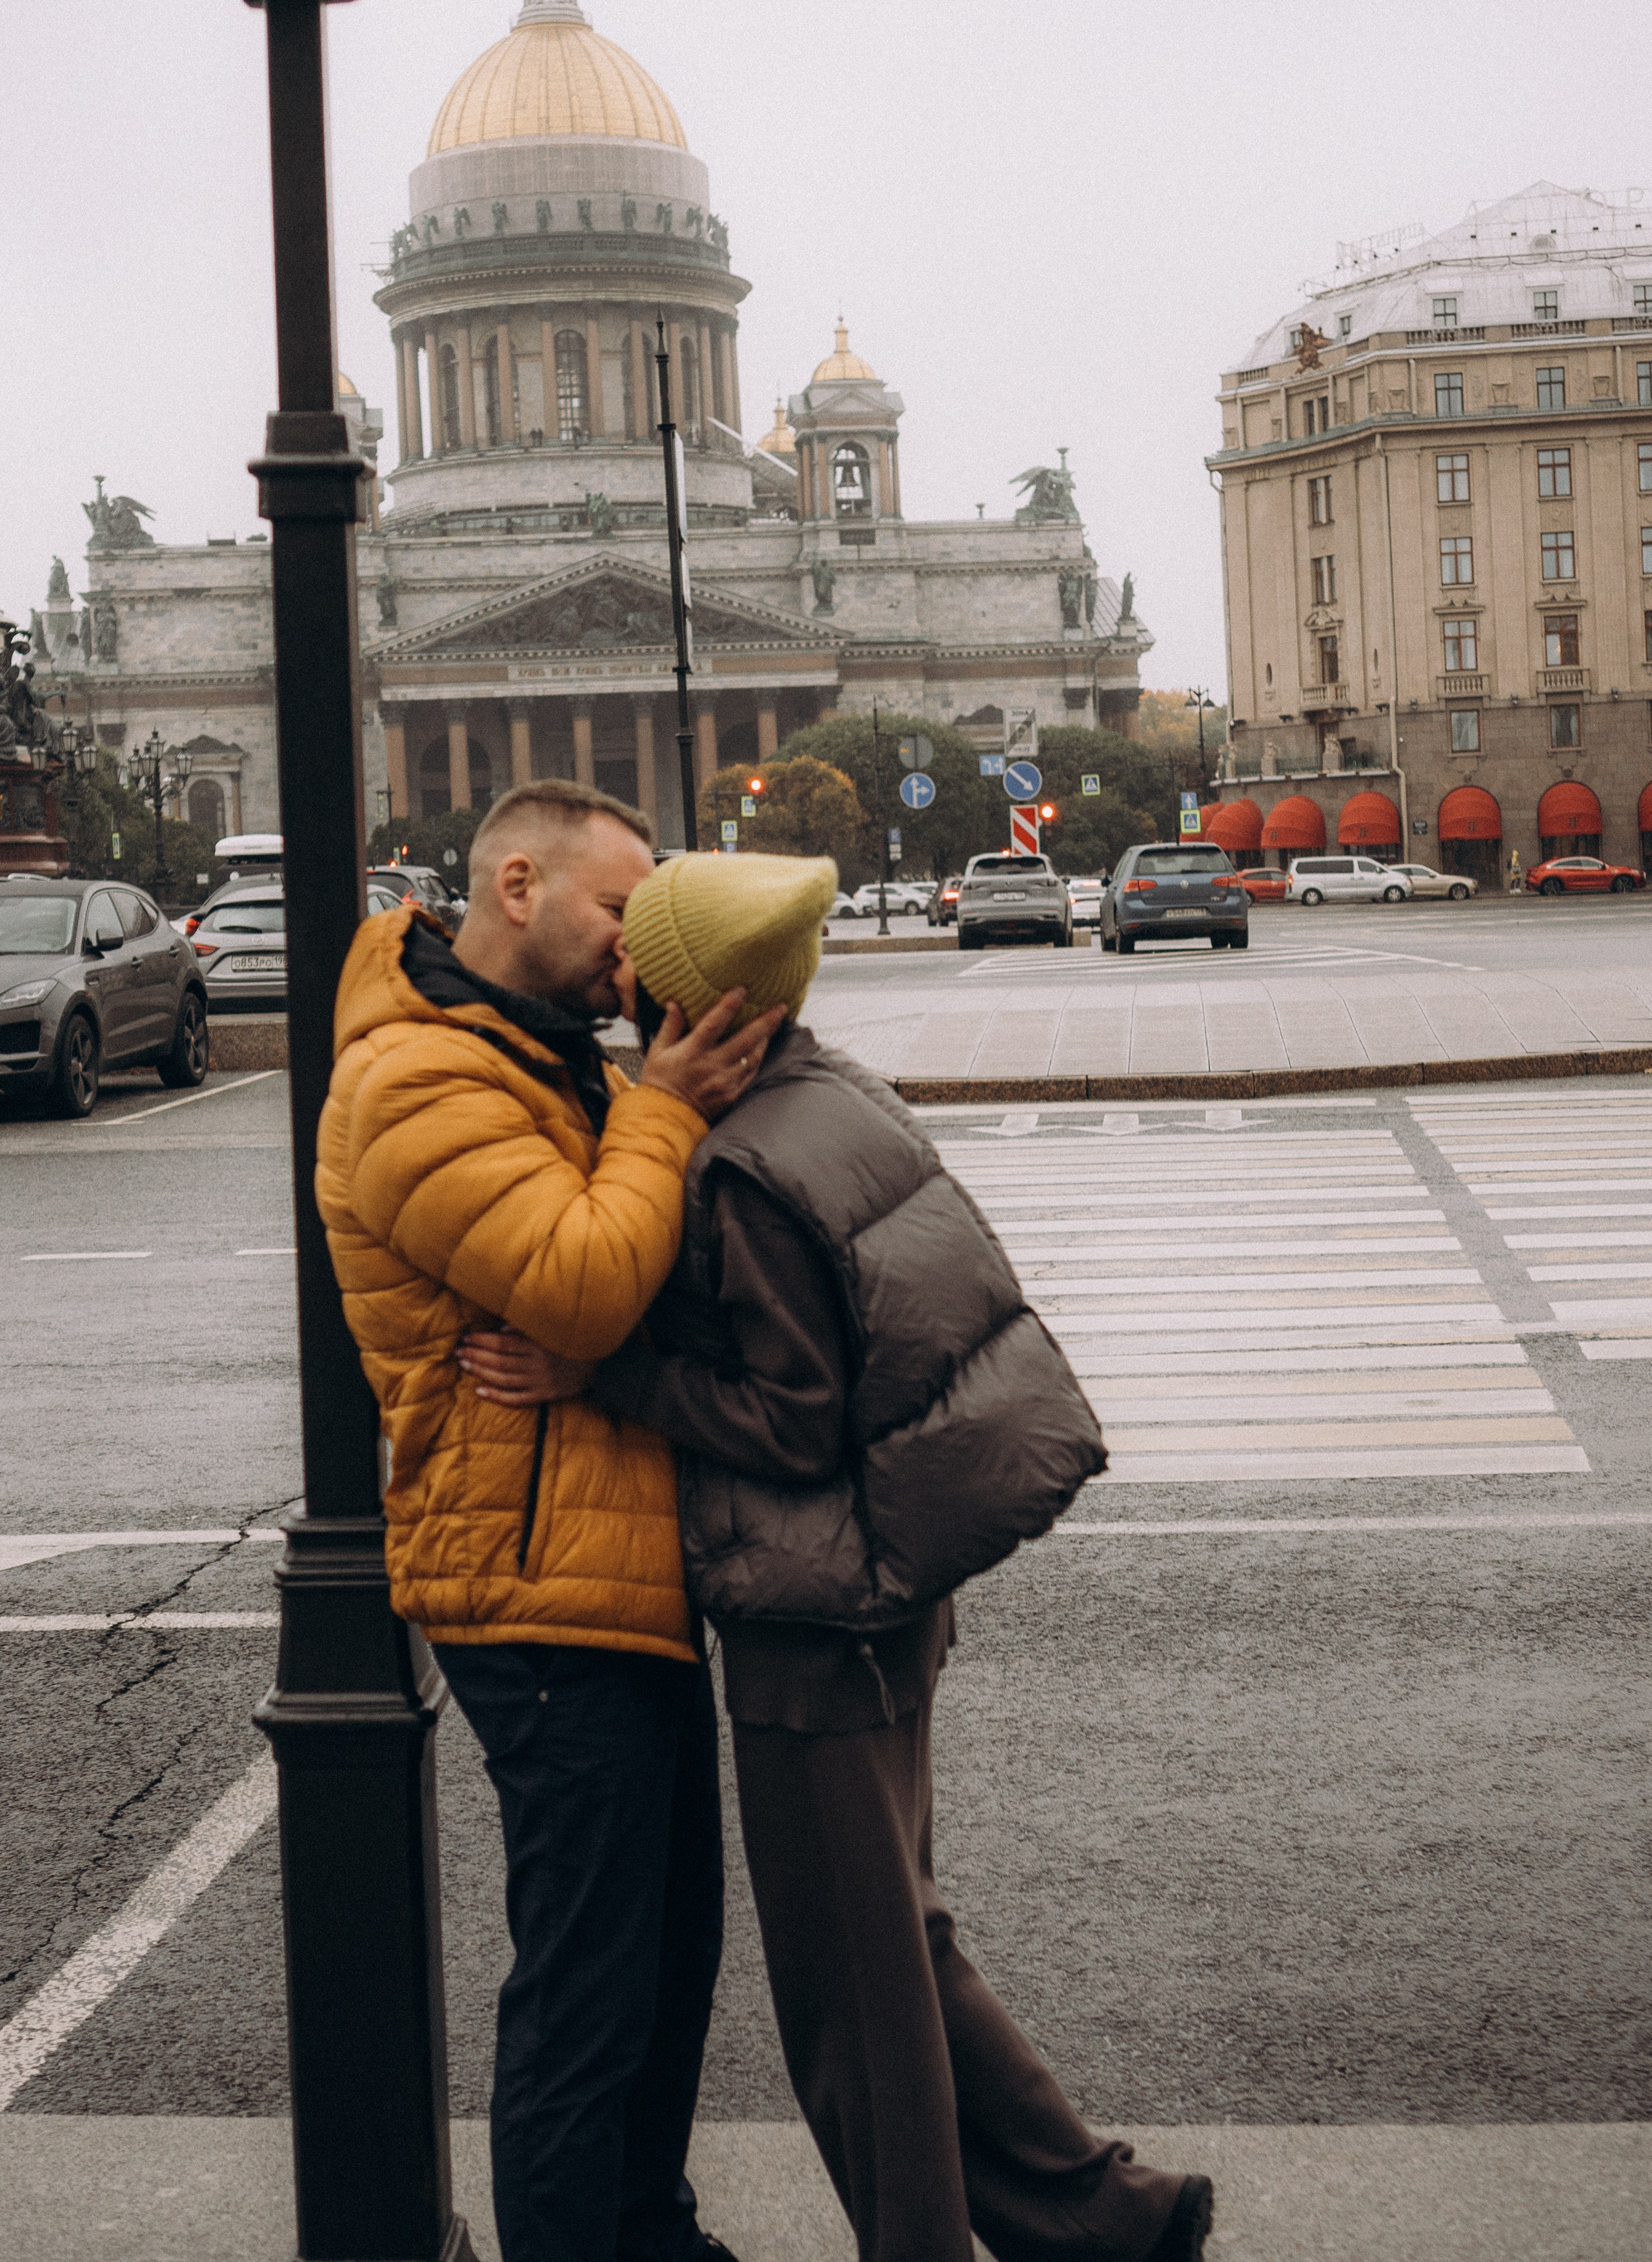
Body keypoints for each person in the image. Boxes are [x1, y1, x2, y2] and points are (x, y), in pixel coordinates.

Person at [462, 853, 1215, 2262]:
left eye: (641, 955)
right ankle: (1104, 2216)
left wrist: (601, 1376)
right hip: (890, 1595)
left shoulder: (738, 1167)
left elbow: (791, 1420)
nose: (613, 970)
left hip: (814, 1617)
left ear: (688, 999)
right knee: (903, 1947)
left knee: (850, 2009)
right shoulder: (829, 1089)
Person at [316, 782, 784, 2262]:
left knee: (660, 1970)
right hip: (529, 1582)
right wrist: (659, 1110)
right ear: (516, 885)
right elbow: (582, 1281)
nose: (634, 942)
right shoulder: (416, 1079)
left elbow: (634, 1287)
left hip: (612, 1564)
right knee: (587, 1995)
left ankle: (650, 2235)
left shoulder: (549, 1054)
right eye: (614, 905)